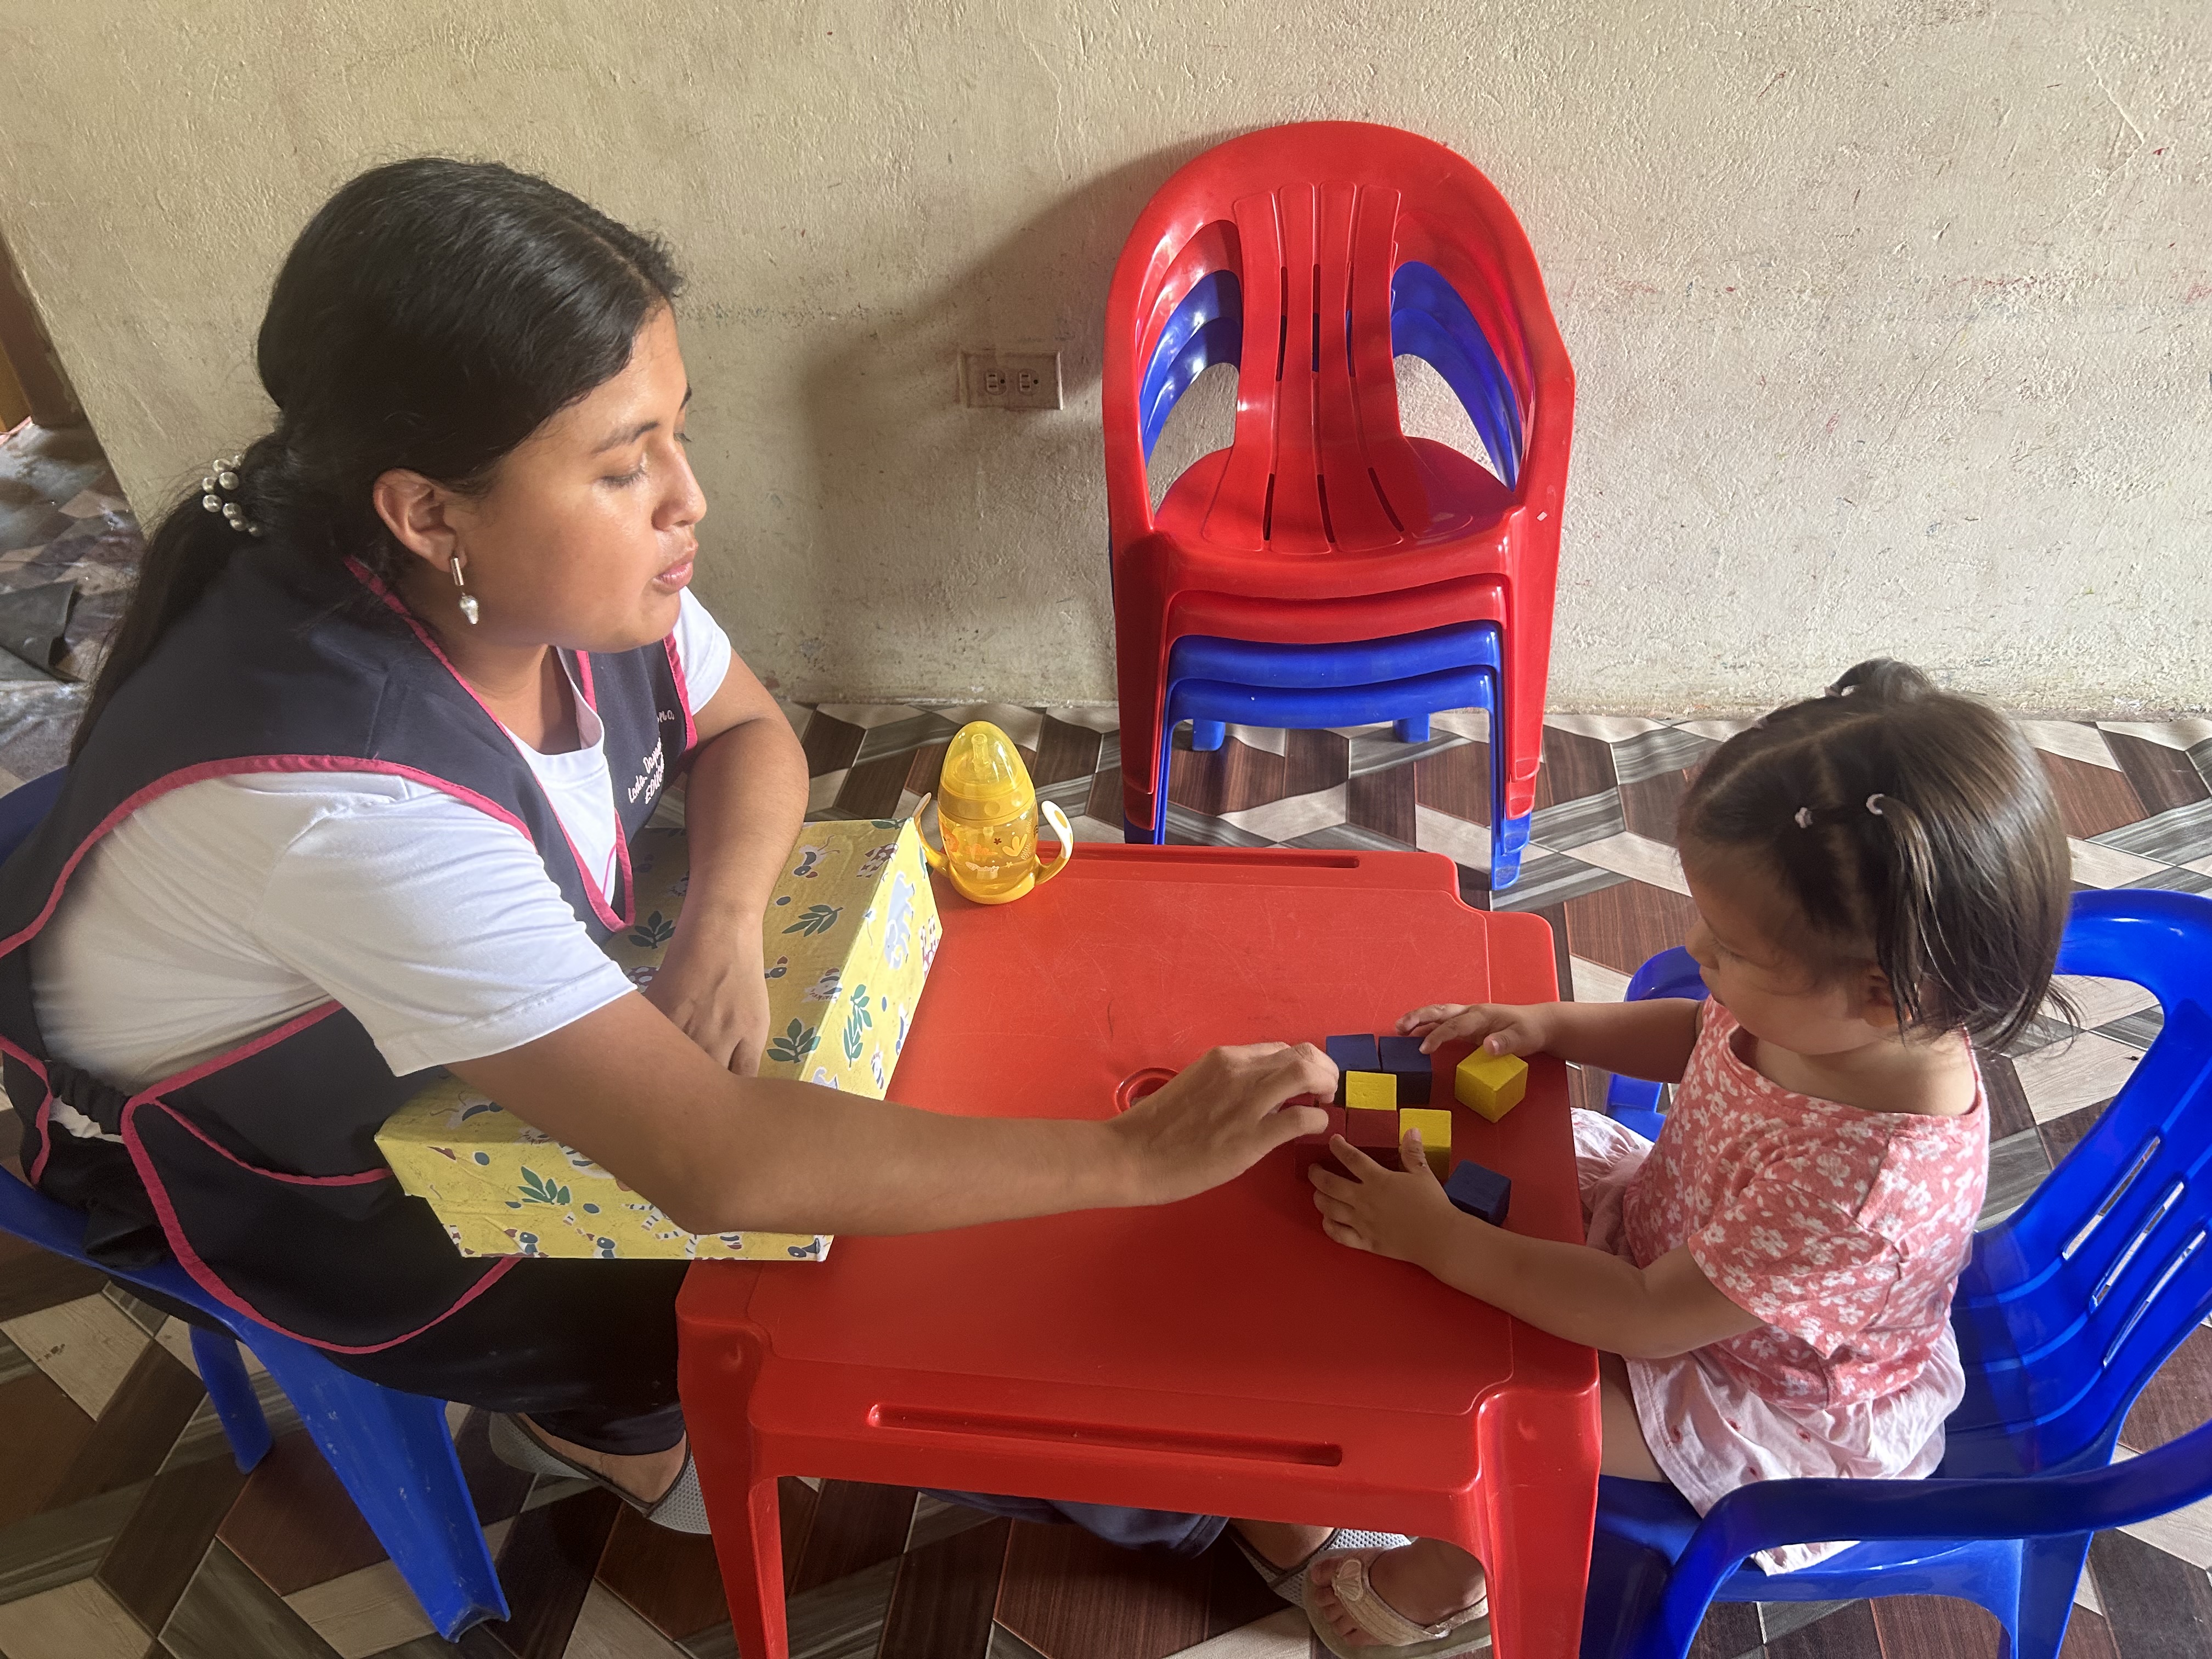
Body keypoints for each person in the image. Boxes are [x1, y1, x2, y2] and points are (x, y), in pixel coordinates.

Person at [0, 158, 1337, 1536]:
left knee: (933, 1079)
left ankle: (1188, 1457)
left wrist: (722, 925)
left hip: (397, 1017)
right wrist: (1130, 1161)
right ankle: (629, 1429)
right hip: (308, 1183)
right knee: (837, 1284)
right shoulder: (345, 813)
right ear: (429, 513)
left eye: (677, 436)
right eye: (625, 465)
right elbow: (717, 1167)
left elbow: (749, 728)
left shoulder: (518, 581)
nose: (688, 500)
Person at [1291, 660, 2070, 1657]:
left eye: (1732, 949)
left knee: (1507, 1407)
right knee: (1483, 1206)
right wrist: (1552, 1026)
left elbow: (1646, 1316)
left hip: (1745, 1388)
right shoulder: (1844, 1018)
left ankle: (1456, 1575)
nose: (1696, 946)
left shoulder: (1864, 1187)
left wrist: (1442, 1243)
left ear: (1882, 993)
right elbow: (1699, 1034)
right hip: (1674, 1243)